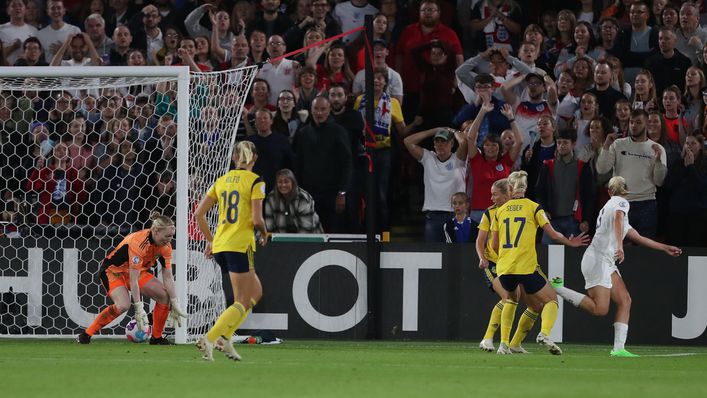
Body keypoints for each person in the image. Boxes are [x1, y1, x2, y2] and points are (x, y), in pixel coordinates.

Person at [552, 176, 682, 357]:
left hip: (604, 261)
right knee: (600, 309)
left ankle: (619, 349)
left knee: (625, 300)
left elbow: (637, 236)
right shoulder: (620, 203)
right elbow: (618, 220)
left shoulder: (610, 207)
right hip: (598, 260)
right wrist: (620, 247)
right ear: (624, 192)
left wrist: (664, 248)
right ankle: (558, 289)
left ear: (609, 191)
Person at [488, 170, 589, 355]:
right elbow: (553, 234)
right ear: (525, 188)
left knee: (510, 300)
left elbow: (493, 245)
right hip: (525, 266)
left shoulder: (499, 211)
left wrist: (506, 255)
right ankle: (544, 333)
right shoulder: (534, 207)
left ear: (510, 188)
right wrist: (571, 242)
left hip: (505, 267)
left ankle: (504, 344)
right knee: (551, 300)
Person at [194, 141, 268, 361]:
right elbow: (256, 219)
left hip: (222, 244)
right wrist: (265, 233)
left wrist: (211, 241)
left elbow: (199, 214)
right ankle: (210, 338)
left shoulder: (222, 180)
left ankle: (224, 338)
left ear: (235, 158)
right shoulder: (256, 181)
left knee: (256, 293)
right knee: (242, 300)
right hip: (240, 245)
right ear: (254, 158)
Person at [76, 213, 187, 345]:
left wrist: (174, 302)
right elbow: (134, 280)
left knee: (165, 296)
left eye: (171, 236)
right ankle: (86, 334)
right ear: (156, 231)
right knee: (123, 305)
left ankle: (156, 338)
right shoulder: (139, 243)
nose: (169, 240)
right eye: (167, 236)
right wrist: (139, 308)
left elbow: (168, 277)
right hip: (113, 271)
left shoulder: (166, 247)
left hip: (136, 272)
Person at [476, 178, 544, 354]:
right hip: (495, 264)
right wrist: (482, 257)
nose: (492, 199)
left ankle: (515, 343)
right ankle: (488, 338)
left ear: (508, 192)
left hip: (517, 265)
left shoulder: (521, 209)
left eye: (495, 195)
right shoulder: (490, 213)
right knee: (508, 298)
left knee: (536, 306)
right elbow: (480, 241)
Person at [404, 126, 468, 242]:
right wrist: (433, 131)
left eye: (443, 141)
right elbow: (408, 141)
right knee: (432, 256)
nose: (440, 144)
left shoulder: (457, 159)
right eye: (437, 141)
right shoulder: (429, 158)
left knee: (456, 254)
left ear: (452, 143)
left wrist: (453, 131)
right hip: (433, 215)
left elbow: (463, 142)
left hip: (455, 214)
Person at [265, 168, 324, 234]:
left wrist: (293, 244)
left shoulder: (303, 199)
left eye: (286, 182)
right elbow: (269, 225)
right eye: (280, 182)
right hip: (281, 238)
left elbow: (307, 229)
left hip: (311, 237)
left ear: (293, 183)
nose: (283, 185)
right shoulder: (271, 198)